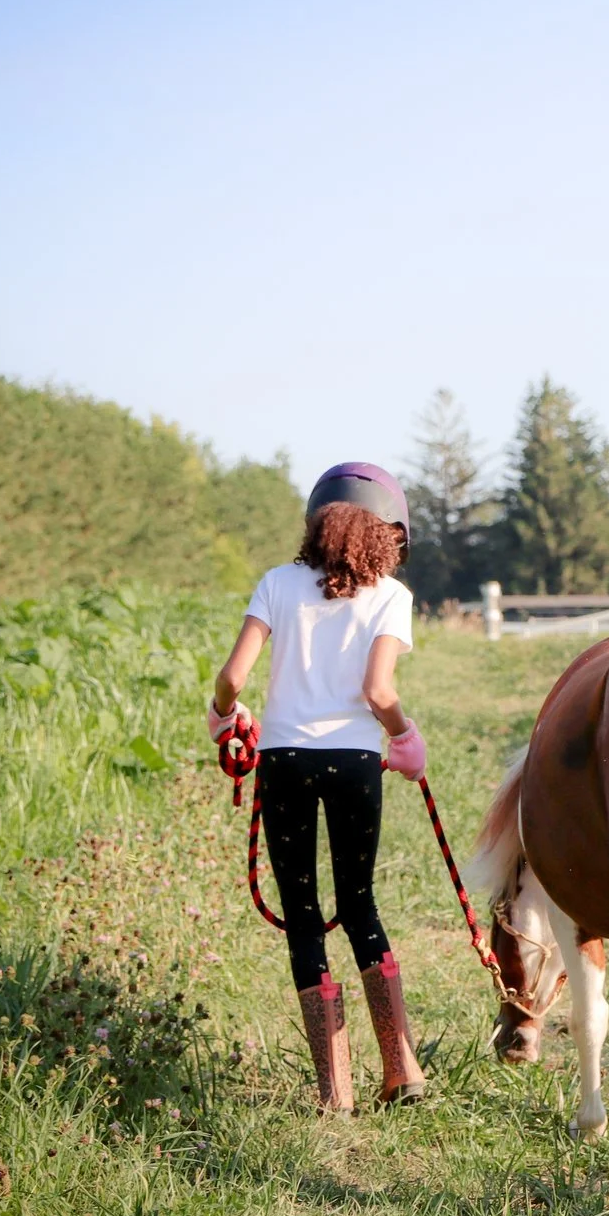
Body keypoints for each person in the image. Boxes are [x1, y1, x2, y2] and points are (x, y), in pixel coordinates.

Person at [210, 462, 432, 1114]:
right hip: (356, 763)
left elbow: (232, 677)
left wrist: (227, 716)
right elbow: (379, 691)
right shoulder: (391, 595)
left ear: (317, 523)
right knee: (359, 905)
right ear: (386, 535)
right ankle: (402, 1068)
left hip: (283, 760)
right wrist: (405, 735)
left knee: (304, 919)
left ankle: (334, 1094)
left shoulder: (277, 584)